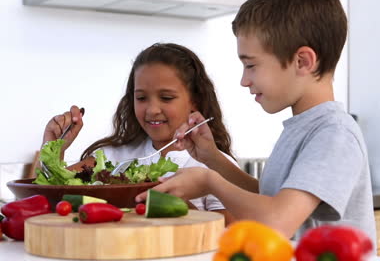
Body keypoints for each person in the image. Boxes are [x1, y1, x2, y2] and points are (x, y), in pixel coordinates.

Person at [136, 0, 377, 244]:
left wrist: (209, 181)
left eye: (251, 65)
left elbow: (277, 221)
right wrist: (212, 158)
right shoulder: (303, 128)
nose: (244, 80)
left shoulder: (334, 133)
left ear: (302, 61)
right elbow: (268, 198)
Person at [41, 43, 236, 224]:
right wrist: (53, 148)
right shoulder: (110, 157)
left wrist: (174, 205)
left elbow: (235, 228)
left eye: (166, 98)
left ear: (195, 101)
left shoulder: (218, 166)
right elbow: (50, 197)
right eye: (141, 98)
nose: (151, 110)